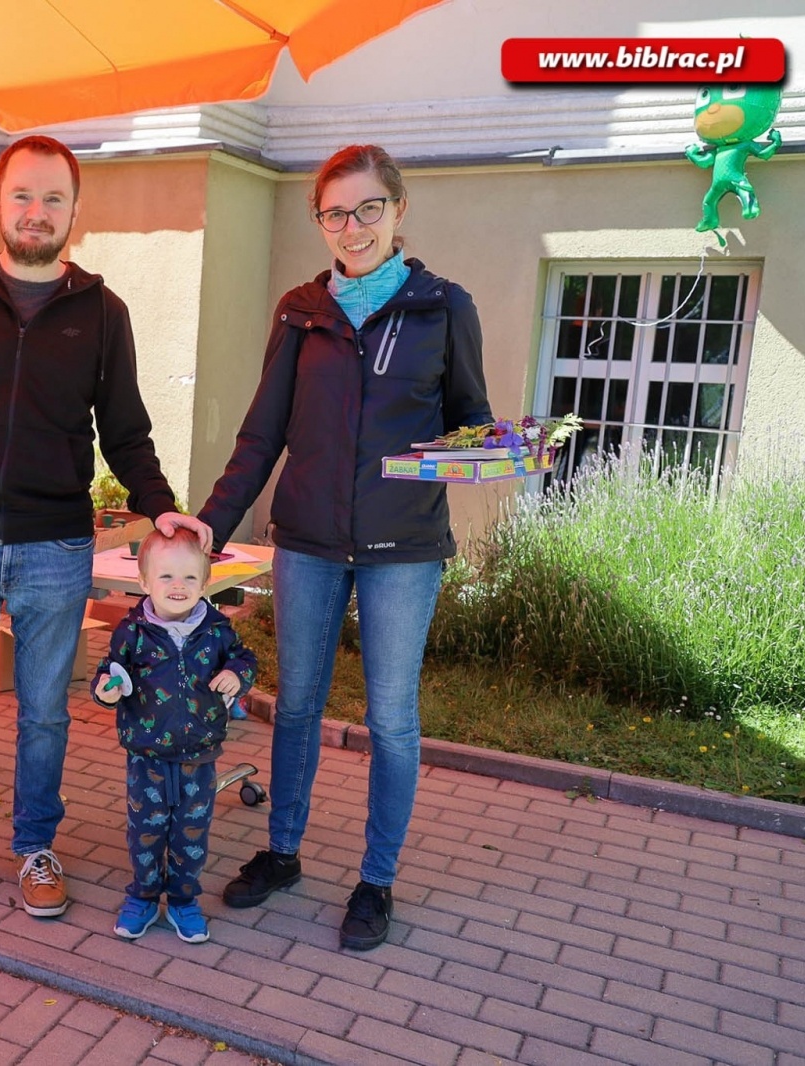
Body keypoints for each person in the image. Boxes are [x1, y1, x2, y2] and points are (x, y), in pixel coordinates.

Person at [0, 134, 211, 920]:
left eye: (53, 198)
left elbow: (125, 429)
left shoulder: (101, 312)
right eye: (23, 196)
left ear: (74, 211)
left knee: (43, 715)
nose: (37, 212)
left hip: (55, 547)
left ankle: (35, 848)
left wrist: (159, 501)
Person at [196, 145, 493, 951]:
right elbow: (263, 434)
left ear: (398, 211)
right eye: (335, 212)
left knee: (391, 719)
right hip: (310, 543)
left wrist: (503, 450)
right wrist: (210, 525)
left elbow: (470, 420)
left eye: (368, 208)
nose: (352, 226)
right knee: (297, 704)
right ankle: (282, 852)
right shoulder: (300, 312)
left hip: (405, 548)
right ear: (319, 221)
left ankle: (376, 880)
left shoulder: (443, 308)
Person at [93, 530, 256, 943]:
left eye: (189, 577)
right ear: (144, 581)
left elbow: (244, 660)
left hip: (199, 755)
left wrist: (235, 674)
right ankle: (144, 896)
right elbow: (110, 671)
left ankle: (183, 900)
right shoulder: (132, 632)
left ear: (205, 583)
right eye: (166, 576)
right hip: (146, 755)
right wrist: (105, 690)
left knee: (191, 833)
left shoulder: (217, 631)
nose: (178, 586)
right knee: (145, 830)